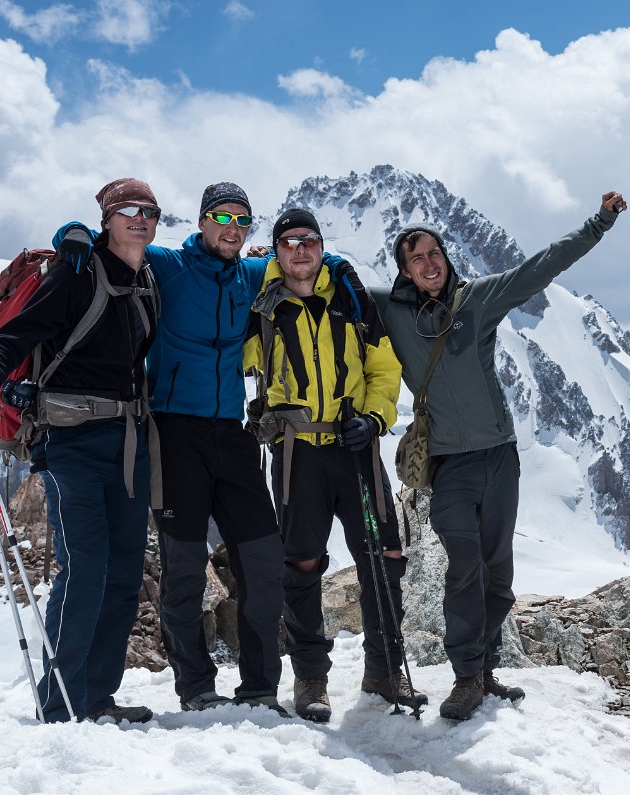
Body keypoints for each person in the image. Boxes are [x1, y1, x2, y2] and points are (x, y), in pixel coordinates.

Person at [53, 182, 311, 714]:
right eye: (222, 217)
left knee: (264, 563)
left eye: (242, 219)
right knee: (186, 569)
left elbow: (307, 261)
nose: (232, 228)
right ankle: (196, 687)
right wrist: (71, 233)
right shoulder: (168, 264)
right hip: (173, 433)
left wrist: (338, 264)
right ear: (202, 221)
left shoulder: (253, 272)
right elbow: (117, 245)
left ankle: (260, 687)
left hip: (233, 434)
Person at [373, 191, 626, 721]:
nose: (429, 263)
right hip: (450, 466)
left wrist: (598, 223)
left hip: (499, 458)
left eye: (434, 253)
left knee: (498, 573)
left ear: (446, 257)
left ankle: (484, 669)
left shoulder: (478, 300)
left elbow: (542, 266)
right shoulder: (389, 310)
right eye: (416, 259)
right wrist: (267, 258)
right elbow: (324, 282)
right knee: (464, 567)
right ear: (405, 271)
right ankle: (466, 677)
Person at [0, 178, 161, 723]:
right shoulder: (76, 272)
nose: (139, 218)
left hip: (129, 442)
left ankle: (97, 697)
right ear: (107, 220)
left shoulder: (148, 279)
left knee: (123, 573)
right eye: (127, 210)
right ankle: (61, 704)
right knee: (85, 567)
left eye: (149, 210)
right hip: (72, 442)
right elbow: (15, 336)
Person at [243, 208, 425, 722]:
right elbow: (234, 357)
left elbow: (383, 365)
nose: (299, 250)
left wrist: (374, 417)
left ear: (322, 246)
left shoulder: (349, 296)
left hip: (355, 445)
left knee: (384, 553)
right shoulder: (261, 303)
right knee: (301, 563)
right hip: (296, 451)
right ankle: (311, 678)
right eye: (288, 242)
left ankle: (384, 670)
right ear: (277, 251)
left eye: (308, 240)